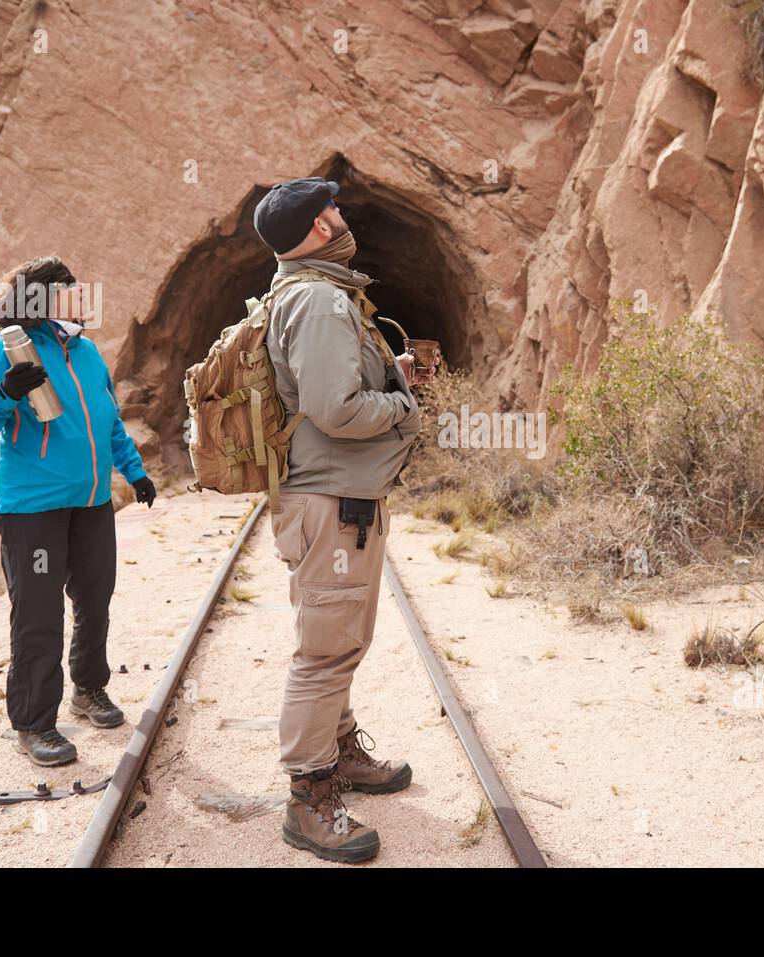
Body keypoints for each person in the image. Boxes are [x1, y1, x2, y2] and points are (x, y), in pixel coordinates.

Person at [254, 176, 431, 863]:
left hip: (342, 501)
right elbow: (337, 410)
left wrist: (395, 374)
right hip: (331, 504)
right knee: (325, 650)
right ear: (318, 227)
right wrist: (403, 409)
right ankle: (308, 796)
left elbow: (334, 392)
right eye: (332, 207)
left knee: (341, 640)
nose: (341, 213)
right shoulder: (322, 302)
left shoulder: (313, 296)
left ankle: (341, 751)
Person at [0, 256, 156, 767]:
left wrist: (133, 472)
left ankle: (88, 691)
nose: (80, 294)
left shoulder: (86, 352)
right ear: (42, 298)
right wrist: (5, 393)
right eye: (70, 287)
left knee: (95, 600)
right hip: (34, 508)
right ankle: (34, 723)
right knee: (39, 616)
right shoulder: (7, 349)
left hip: (91, 503)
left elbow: (108, 422)